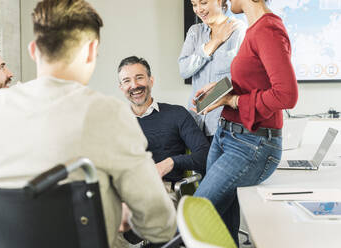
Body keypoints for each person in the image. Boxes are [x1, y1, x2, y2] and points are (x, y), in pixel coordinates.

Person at [0, 1, 176, 247]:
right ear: (91, 51)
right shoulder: (107, 113)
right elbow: (160, 227)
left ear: (33, 50)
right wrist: (125, 213)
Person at [193, 0, 298, 245]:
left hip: (250, 145)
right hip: (226, 136)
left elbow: (286, 95)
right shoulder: (255, 28)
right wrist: (221, 89)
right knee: (220, 223)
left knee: (196, 212)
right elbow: (255, 78)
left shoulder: (268, 30)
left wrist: (233, 101)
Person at [118, 56, 210, 194]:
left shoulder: (177, 114)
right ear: (121, 88)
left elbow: (205, 155)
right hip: (124, 193)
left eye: (139, 77)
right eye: (127, 81)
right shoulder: (115, 122)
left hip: (162, 190)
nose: (134, 85)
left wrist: (170, 162)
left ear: (151, 80)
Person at [178, 0, 246, 141]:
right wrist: (216, 41)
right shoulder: (195, 32)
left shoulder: (238, 30)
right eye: (194, 5)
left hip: (224, 125)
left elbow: (242, 80)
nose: (198, 10)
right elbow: (184, 70)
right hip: (195, 123)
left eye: (203, 3)